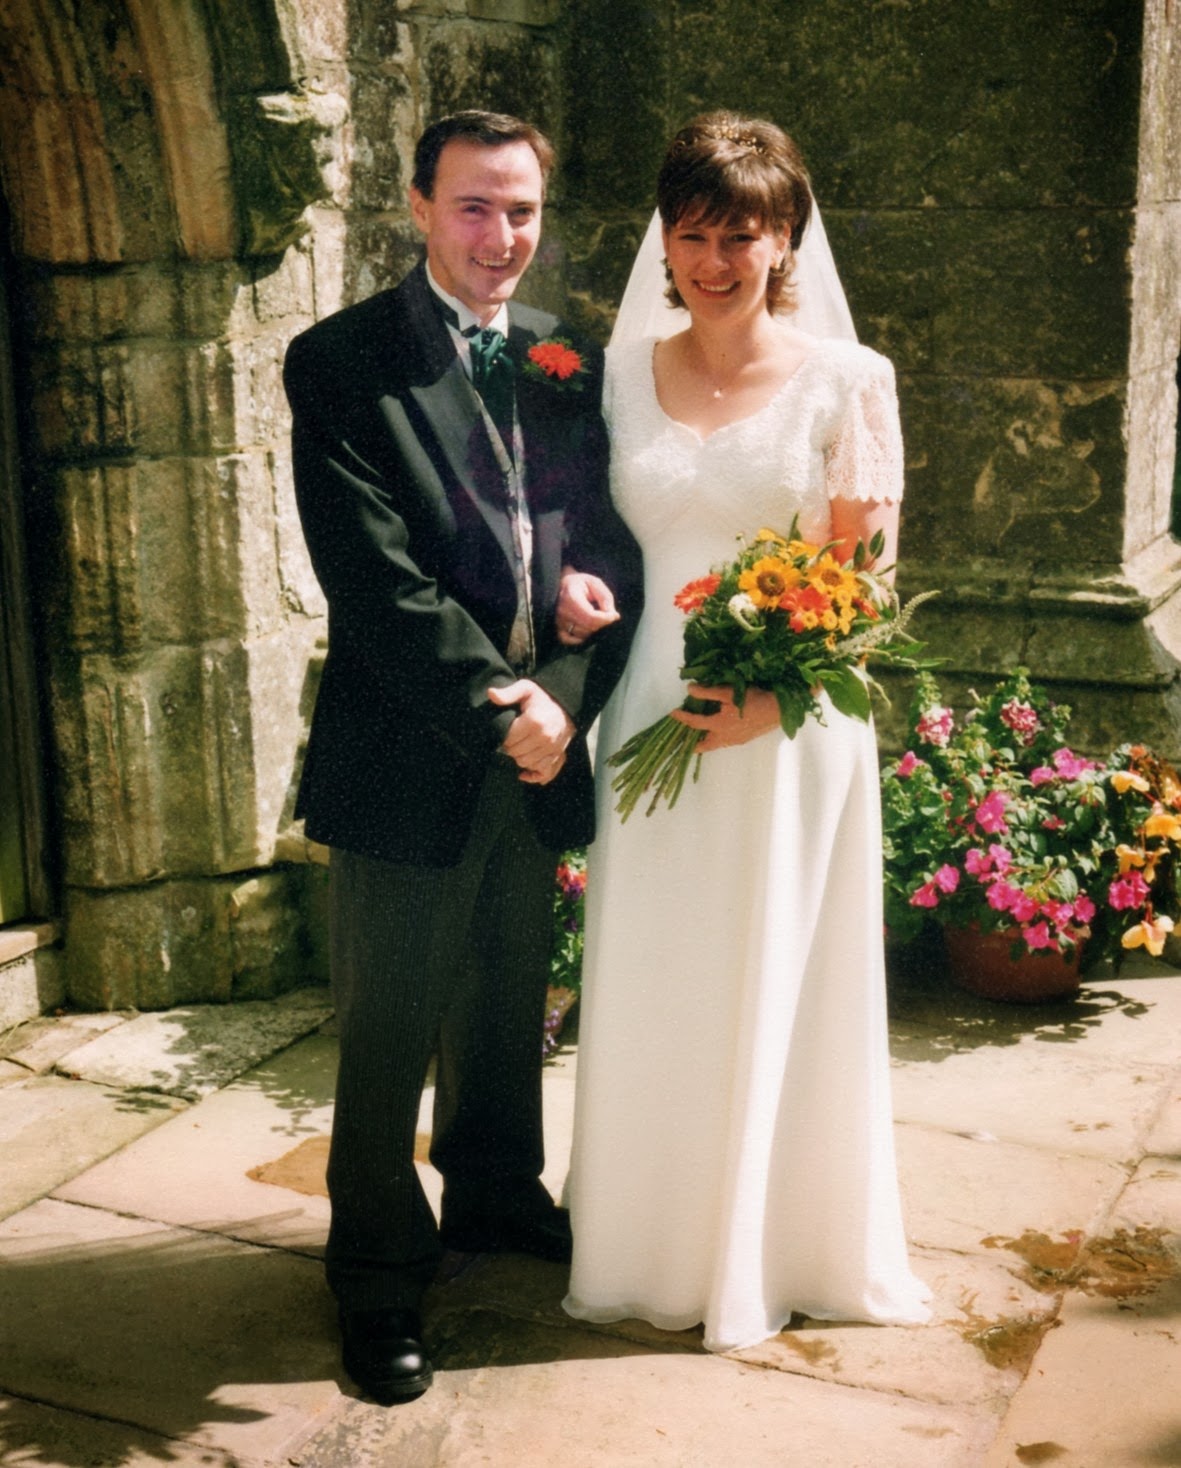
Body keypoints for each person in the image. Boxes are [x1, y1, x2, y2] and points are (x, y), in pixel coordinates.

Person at [558, 111, 932, 1352]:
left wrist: (770, 697)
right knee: (658, 970)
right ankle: (647, 1242)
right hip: (650, 713)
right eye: (692, 233)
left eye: (741, 235)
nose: (714, 260)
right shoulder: (617, 373)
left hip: (786, 723)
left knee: (774, 966)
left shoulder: (847, 380)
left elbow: (864, 585)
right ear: (663, 241)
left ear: (785, 242)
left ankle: (775, 1247)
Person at [284, 109, 642, 1404]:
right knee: (389, 1024)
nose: (500, 236)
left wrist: (565, 692)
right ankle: (379, 1270)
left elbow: (601, 532)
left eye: (521, 210)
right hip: (408, 743)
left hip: (538, 739)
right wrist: (504, 709)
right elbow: (371, 581)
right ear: (419, 208)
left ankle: (494, 1192)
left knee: (503, 996)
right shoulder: (341, 359)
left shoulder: (563, 358)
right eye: (474, 207)